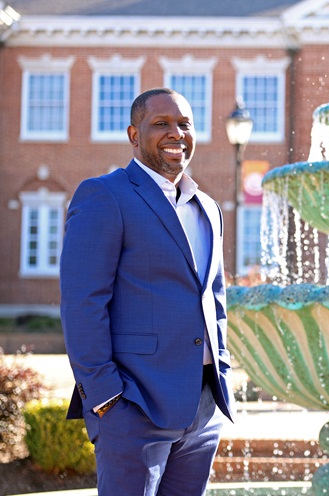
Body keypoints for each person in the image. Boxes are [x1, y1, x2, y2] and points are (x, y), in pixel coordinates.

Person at [60, 88, 234, 495]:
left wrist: (221, 367)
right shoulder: (105, 195)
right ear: (134, 135)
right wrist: (104, 397)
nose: (176, 133)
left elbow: (215, 298)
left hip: (204, 404)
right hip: (134, 405)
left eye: (184, 124)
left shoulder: (207, 206)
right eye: (161, 124)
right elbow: (83, 303)